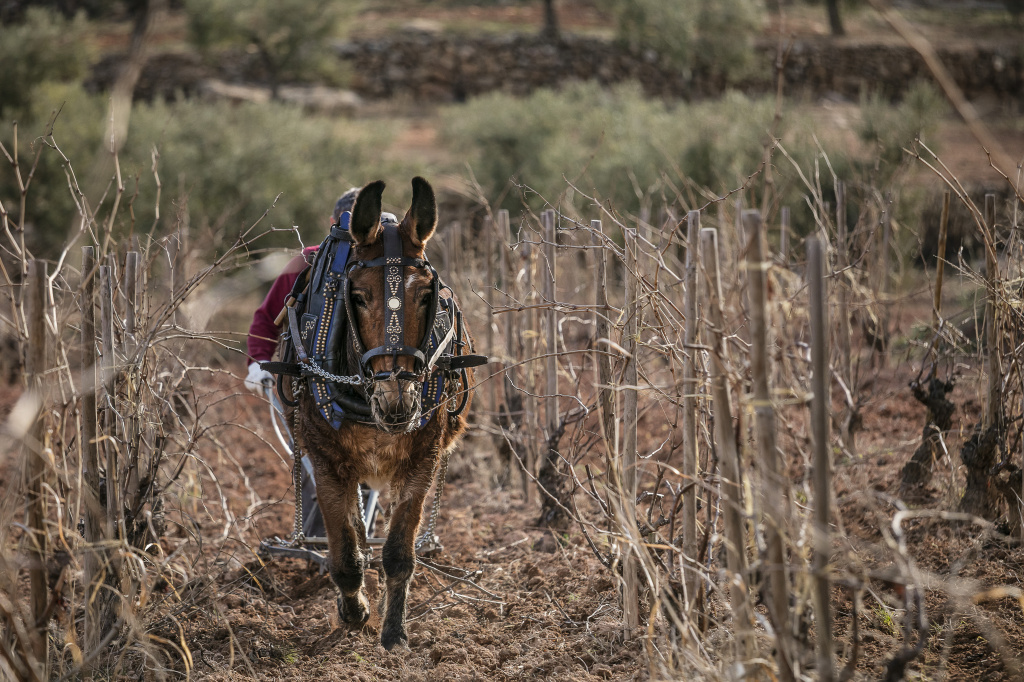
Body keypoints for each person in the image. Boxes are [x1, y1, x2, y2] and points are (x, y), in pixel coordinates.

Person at [244, 188, 360, 391]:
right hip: (309, 386)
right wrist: (258, 363)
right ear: (332, 223)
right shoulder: (308, 261)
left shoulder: (392, 269)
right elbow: (268, 317)